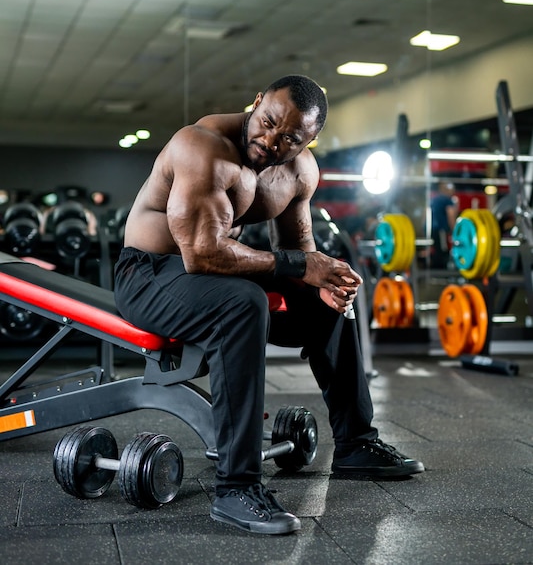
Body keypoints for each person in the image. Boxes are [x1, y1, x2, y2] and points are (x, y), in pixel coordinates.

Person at [114, 75, 424, 536]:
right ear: (257, 102)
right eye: (268, 122)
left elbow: (299, 250)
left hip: (207, 272)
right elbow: (201, 254)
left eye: (290, 138)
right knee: (243, 304)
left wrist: (325, 282)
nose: (270, 140)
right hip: (149, 274)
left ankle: (357, 442)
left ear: (309, 141)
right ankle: (236, 487)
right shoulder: (201, 148)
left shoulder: (299, 172)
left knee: (327, 296)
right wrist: (302, 264)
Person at [430, 181, 458, 268]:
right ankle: (440, 271)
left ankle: (436, 268)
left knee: (437, 249)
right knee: (442, 250)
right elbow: (451, 215)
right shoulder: (447, 200)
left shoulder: (434, 199)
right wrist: (455, 230)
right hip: (440, 229)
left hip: (432, 229)